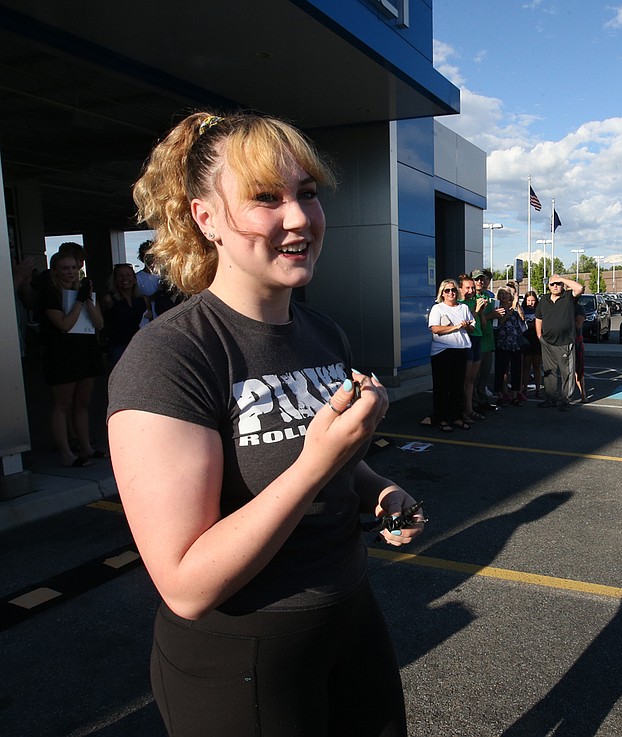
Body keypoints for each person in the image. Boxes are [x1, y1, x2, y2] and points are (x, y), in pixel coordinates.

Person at [107, 111, 423, 737]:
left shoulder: (321, 331)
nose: (300, 217)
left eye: (307, 193)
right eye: (265, 198)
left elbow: (330, 459)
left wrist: (378, 487)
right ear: (207, 220)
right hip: (241, 656)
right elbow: (187, 585)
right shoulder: (172, 356)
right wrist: (317, 464)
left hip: (350, 617)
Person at [36, 250, 105, 467]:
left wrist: (87, 299)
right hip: (61, 355)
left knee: (82, 403)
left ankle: (86, 447)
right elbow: (63, 325)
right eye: (65, 268)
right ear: (55, 271)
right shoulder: (49, 295)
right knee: (62, 405)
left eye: (74, 268)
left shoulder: (84, 293)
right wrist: (78, 301)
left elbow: (99, 324)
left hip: (85, 352)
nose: (71, 272)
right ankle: (66, 453)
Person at [428, 278, 475, 431]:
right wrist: (456, 327)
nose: (450, 293)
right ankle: (442, 419)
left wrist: (466, 326)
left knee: (457, 386)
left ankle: (457, 417)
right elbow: (435, 329)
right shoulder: (437, 308)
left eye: (453, 290)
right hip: (442, 352)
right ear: (442, 293)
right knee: (442, 387)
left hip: (460, 350)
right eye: (447, 290)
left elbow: (473, 328)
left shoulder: (464, 308)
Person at [534, 274, 584, 411]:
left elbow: (579, 288)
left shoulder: (568, 297)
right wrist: (539, 336)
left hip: (565, 342)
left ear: (563, 285)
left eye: (558, 284)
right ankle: (550, 399)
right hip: (547, 343)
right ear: (548, 286)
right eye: (552, 284)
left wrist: (562, 279)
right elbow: (538, 318)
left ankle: (564, 400)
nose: (555, 286)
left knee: (567, 373)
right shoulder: (544, 299)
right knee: (549, 373)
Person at [100, 263, 150, 366]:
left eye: (128, 275)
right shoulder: (108, 300)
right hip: (117, 346)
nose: (125, 278)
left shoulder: (143, 300)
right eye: (120, 276)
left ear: (134, 278)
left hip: (138, 344)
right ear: (115, 280)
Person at [471, 269, 502, 412]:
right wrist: (491, 315)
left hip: (488, 341)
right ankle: (472, 403)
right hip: (476, 341)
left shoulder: (488, 297)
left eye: (482, 279)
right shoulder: (469, 299)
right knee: (474, 377)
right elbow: (473, 318)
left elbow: (492, 318)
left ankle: (482, 400)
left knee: (484, 375)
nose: (480, 282)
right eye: (477, 279)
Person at [458, 274, 488, 424]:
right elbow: (467, 326)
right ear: (460, 289)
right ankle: (461, 410)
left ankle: (469, 409)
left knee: (471, 379)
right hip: (466, 340)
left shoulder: (473, 301)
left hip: (477, 339)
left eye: (472, 288)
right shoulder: (459, 304)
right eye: (467, 288)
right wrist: (476, 309)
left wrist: (481, 311)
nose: (471, 291)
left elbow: (482, 325)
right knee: (464, 378)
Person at [493, 288, 527, 405]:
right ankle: (501, 394)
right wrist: (511, 308)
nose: (504, 296)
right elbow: (500, 322)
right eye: (501, 294)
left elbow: (523, 320)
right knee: (501, 369)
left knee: (516, 369)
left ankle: (515, 394)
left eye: (506, 294)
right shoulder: (497, 308)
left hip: (515, 343)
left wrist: (517, 305)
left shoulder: (515, 308)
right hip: (502, 342)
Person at [520, 290, 542, 401]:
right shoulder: (522, 310)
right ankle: (525, 389)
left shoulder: (539, 311)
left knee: (537, 367)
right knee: (526, 367)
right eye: (528, 300)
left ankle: (538, 389)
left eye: (533, 300)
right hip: (526, 340)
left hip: (536, 341)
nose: (530, 303)